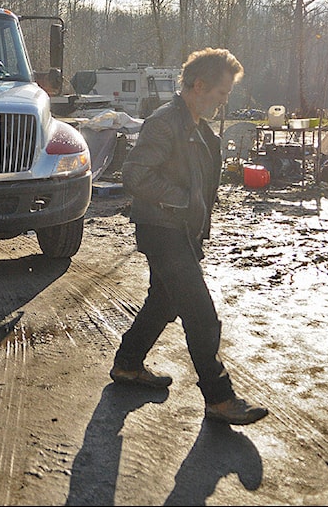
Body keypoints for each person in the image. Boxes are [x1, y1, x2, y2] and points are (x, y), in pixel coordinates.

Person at [109, 47, 269, 426]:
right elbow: (134, 174)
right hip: (163, 229)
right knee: (201, 314)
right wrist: (182, 201)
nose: (225, 100)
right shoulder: (166, 122)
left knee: (164, 303)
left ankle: (128, 365)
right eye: (222, 92)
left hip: (180, 231)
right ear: (199, 86)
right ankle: (219, 398)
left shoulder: (197, 126)